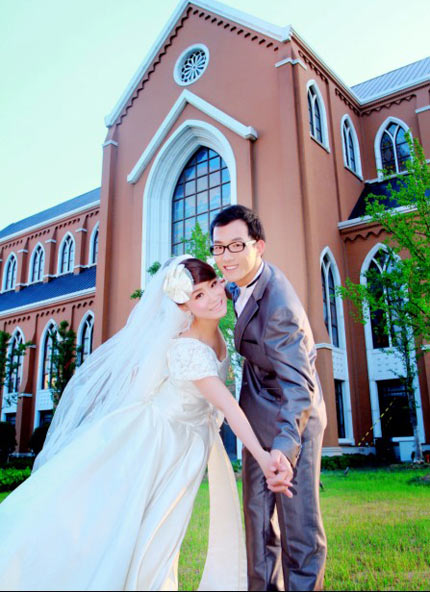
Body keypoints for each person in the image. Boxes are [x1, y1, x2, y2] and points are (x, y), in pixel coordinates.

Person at [0, 256, 289, 592]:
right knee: (135, 530)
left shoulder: (217, 328)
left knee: (162, 535)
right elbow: (229, 407)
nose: (212, 297)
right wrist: (263, 456)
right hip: (157, 444)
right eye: (198, 295)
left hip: (186, 445)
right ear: (183, 306)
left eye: (212, 285)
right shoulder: (188, 349)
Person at [211, 205, 327, 592]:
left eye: (236, 246)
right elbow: (233, 290)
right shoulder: (237, 281)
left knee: (299, 532)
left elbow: (300, 388)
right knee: (257, 524)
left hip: (294, 421)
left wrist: (285, 449)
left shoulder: (281, 309)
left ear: (258, 246)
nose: (225, 257)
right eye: (218, 247)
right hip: (255, 416)